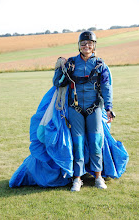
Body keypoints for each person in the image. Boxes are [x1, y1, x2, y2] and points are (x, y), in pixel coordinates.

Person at [53, 31, 114, 191]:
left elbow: (107, 87)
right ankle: (77, 178)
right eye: (83, 43)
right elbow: (57, 83)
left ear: (94, 46)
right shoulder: (71, 63)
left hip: (94, 108)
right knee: (77, 143)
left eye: (89, 43)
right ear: (79, 46)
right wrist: (62, 69)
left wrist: (109, 108)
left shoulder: (101, 65)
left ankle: (98, 177)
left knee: (96, 142)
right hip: (75, 108)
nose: (86, 46)